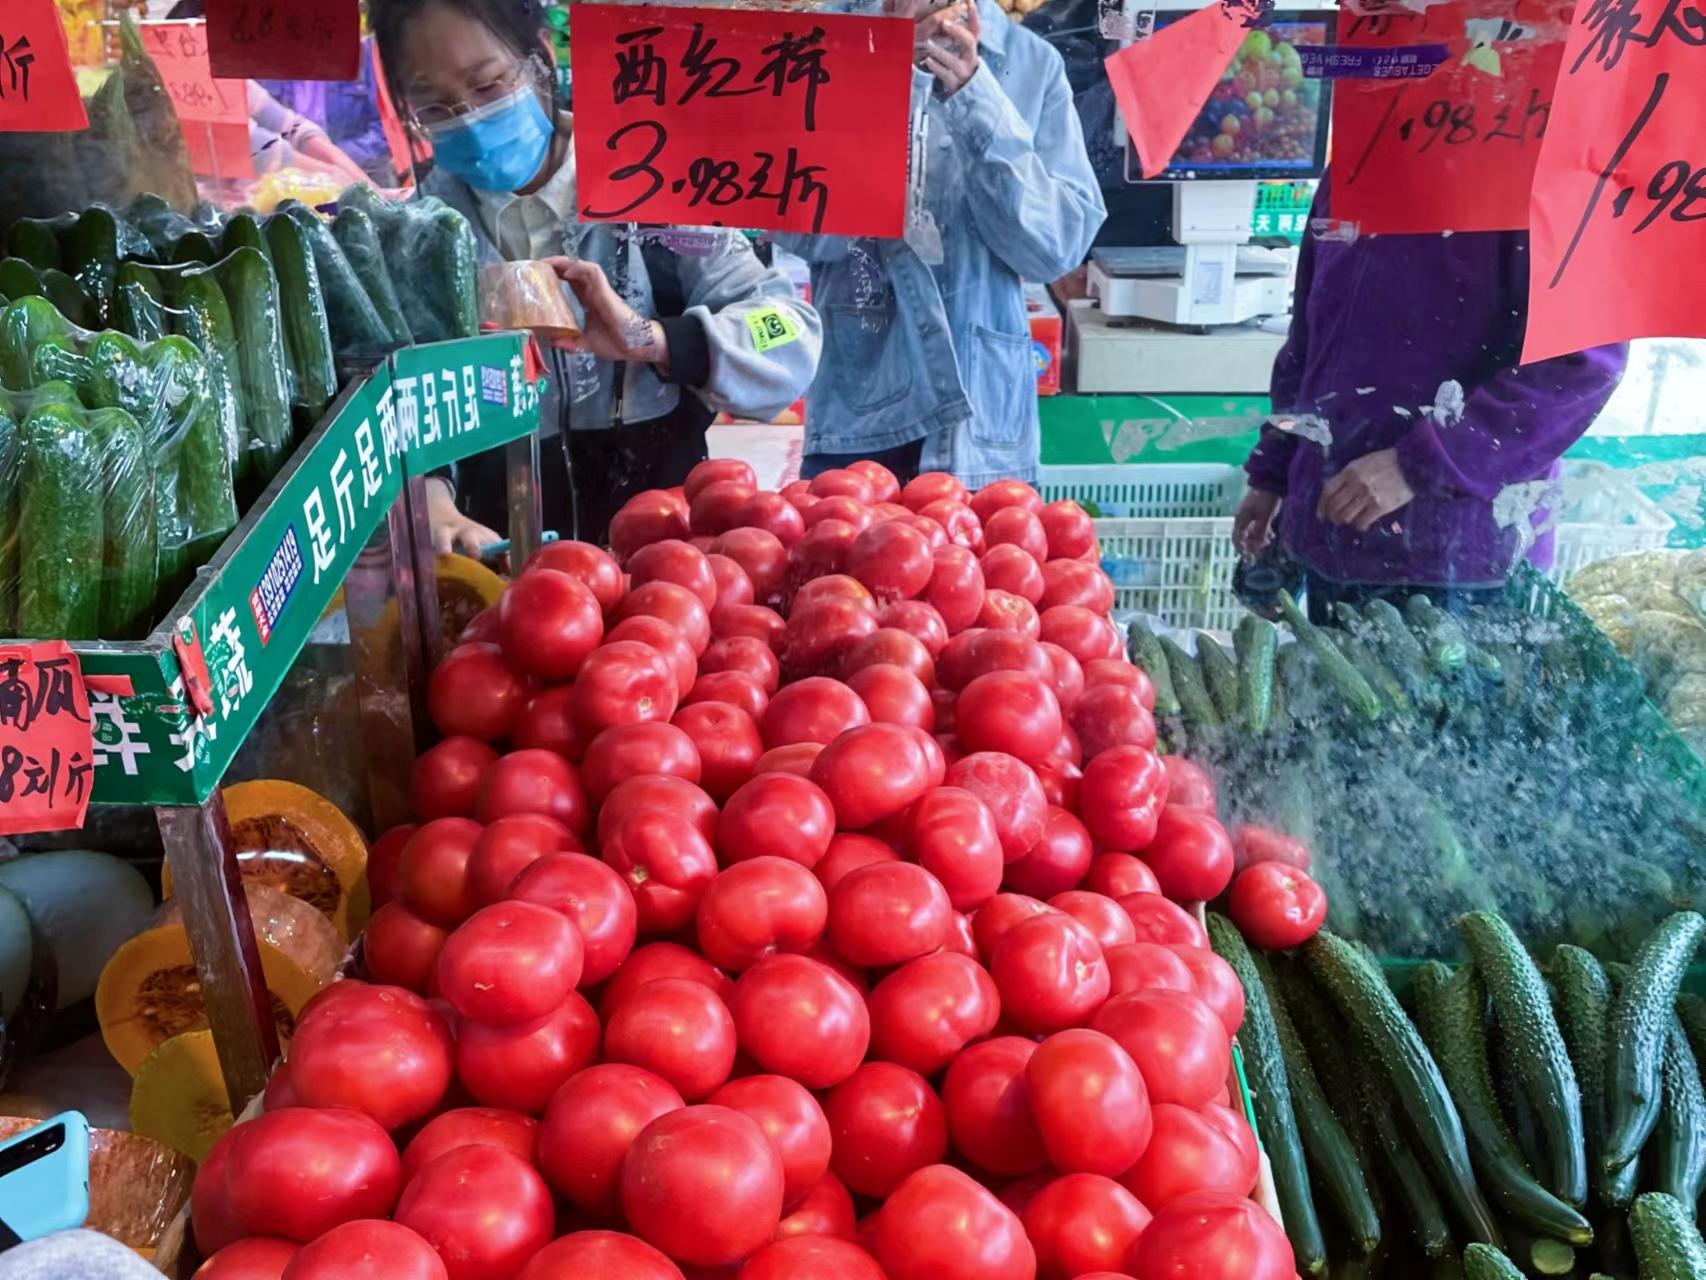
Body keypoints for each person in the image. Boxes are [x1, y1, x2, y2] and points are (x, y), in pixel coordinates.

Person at [368, 0, 822, 549]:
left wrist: (652, 338)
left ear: (539, 56)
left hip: (666, 565)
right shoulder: (416, 239)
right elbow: (394, 405)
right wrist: (427, 496)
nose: (469, 120)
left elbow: (789, 330)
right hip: (501, 567)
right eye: (436, 109)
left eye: (487, 86)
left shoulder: (656, 189)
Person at [1232, 173, 1628, 620]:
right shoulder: (1358, 159)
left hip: (1457, 560)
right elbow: (1309, 339)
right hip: (1330, 533)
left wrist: (1418, 464)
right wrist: (1273, 472)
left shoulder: (1550, 179)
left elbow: (1580, 366)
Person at [778, 0, 1104, 489]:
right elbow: (799, 233)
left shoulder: (1031, 63)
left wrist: (976, 99)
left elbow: (1053, 250)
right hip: (859, 419)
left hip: (983, 423)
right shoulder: (816, 43)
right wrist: (880, 72)